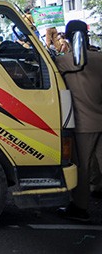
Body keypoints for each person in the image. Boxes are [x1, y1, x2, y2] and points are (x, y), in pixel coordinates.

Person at [55, 20, 102, 222]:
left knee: (81, 166)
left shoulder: (65, 61)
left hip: (83, 125)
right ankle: (97, 189)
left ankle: (80, 208)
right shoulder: (99, 58)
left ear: (68, 37)